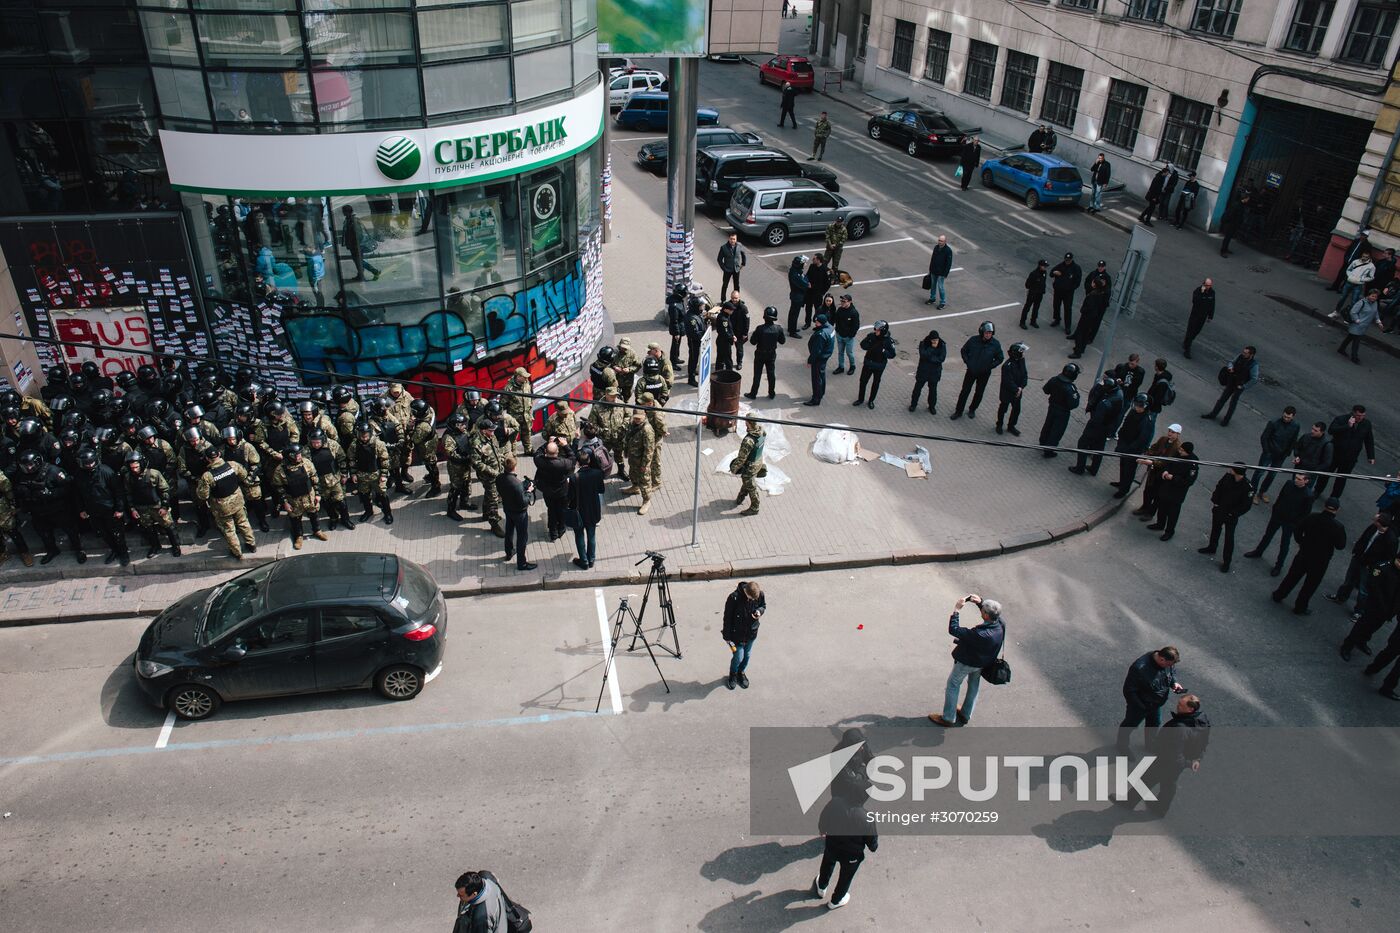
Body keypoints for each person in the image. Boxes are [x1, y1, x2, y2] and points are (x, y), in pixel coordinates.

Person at [1116, 695, 1211, 815]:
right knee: (1169, 785)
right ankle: (1161, 809)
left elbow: (1175, 756)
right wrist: (1197, 758)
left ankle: (1129, 802)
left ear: (1190, 710)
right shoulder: (1202, 720)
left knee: (1146, 780)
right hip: (1179, 762)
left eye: (1181, 705)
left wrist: (1188, 763)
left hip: (1167, 761)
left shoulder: (1179, 729)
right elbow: (1203, 742)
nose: (1177, 706)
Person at [929, 593, 1004, 727]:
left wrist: (956, 610)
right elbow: (991, 613)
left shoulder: (980, 634)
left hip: (967, 662)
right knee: (973, 685)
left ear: (986, 615)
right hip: (982, 663)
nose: (981, 610)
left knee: (953, 685)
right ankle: (965, 713)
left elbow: (954, 629)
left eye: (983, 610)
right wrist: (980, 602)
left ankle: (948, 717)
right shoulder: (1000, 624)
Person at [1272, 497, 1347, 615]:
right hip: (1321, 560)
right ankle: (1300, 607)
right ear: (1337, 510)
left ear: (1325, 506)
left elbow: (1298, 530)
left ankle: (1279, 595)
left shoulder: (1312, 517)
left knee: (1292, 576)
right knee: (1310, 585)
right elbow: (1340, 545)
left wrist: (1301, 542)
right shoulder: (1338, 527)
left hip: (1304, 553)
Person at [812, 790, 878, 911]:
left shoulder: (835, 803)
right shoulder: (867, 818)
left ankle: (821, 887)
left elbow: (824, 817)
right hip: (851, 856)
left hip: (832, 846)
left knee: (827, 864)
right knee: (845, 878)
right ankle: (835, 901)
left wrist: (822, 830)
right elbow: (872, 845)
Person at [1116, 646, 1185, 755]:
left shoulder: (1168, 663)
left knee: (1154, 724)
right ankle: (1122, 746)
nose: (1170, 667)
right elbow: (1129, 691)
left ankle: (1150, 744)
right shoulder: (1139, 668)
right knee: (1129, 725)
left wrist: (1174, 683)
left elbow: (1171, 672)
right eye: (1169, 664)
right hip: (1140, 705)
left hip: (1155, 704)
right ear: (1162, 659)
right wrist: (1141, 707)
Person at [1244, 473, 1317, 576]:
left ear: (1306, 481)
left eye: (1299, 479)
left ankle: (1279, 565)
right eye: (1296, 478)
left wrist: (1294, 523)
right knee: (1267, 535)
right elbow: (1281, 496)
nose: (1296, 480)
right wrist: (1275, 509)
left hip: (1289, 522)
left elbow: (1305, 513)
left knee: (1284, 544)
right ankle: (1258, 551)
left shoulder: (1308, 495)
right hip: (1278, 515)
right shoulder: (1289, 484)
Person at [1326, 511, 1397, 610]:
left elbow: (1388, 558)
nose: (1373, 521)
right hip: (1359, 558)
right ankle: (1341, 597)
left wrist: (1375, 567)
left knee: (1364, 589)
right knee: (1349, 580)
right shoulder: (1373, 528)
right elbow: (1363, 538)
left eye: (1375, 520)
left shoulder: (1390, 539)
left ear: (1379, 523)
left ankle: (1359, 610)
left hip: (1369, 566)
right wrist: (1356, 551)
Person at [195, 447, 257, 559]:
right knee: (244, 523)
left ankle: (237, 552)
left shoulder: (207, 476)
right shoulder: (232, 465)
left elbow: (203, 495)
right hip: (238, 501)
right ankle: (251, 545)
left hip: (222, 507)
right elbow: (244, 475)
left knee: (229, 530)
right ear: (219, 454)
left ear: (208, 459)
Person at [75, 446, 129, 566]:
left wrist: (119, 509)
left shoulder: (106, 472)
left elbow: (118, 492)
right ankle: (114, 551)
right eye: (86, 464)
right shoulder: (79, 475)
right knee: (104, 534)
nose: (89, 466)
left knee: (118, 534)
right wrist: (81, 509)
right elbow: (78, 494)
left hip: (110, 510)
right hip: (93, 511)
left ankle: (123, 553)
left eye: (91, 463)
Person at [1340, 553, 1400, 659]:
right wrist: (1382, 605)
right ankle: (1347, 646)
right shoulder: (1383, 568)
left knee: (1373, 627)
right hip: (1375, 606)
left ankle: (1362, 641)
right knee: (1362, 626)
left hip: (1387, 610)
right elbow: (1373, 586)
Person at [1199, 464, 1253, 572]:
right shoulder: (1227, 477)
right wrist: (1215, 501)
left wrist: (1233, 513)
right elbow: (1218, 488)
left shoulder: (1247, 486)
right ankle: (1212, 547)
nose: (1229, 470)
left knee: (1229, 538)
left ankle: (1226, 561)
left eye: (1232, 468)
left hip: (1230, 515)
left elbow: (1246, 505)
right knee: (1215, 529)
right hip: (1220, 509)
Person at [1069, 375, 1123, 476]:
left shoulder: (1105, 403)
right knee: (1099, 448)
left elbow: (1097, 418)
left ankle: (1080, 468)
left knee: (1082, 444)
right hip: (1107, 426)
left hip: (1097, 426)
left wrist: (1090, 427)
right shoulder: (1118, 394)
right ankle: (1094, 469)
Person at [1319, 405, 1376, 499]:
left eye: (1363, 415)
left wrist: (1371, 456)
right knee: (1326, 474)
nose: (1361, 418)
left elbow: (1369, 440)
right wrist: (1347, 426)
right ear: (1353, 413)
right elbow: (1331, 430)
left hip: (1350, 458)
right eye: (1358, 415)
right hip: (1335, 454)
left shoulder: (1366, 424)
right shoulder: (1341, 419)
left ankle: (1334, 497)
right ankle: (1318, 490)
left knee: (1341, 479)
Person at [950, 321, 1004, 420]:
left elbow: (1000, 358)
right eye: (986, 333)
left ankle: (972, 409)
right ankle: (958, 411)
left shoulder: (995, 344)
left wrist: (989, 366)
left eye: (990, 333)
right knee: (965, 391)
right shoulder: (973, 340)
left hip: (984, 373)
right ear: (982, 332)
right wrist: (968, 362)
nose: (988, 335)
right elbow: (964, 350)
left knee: (979, 392)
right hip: (971, 371)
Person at [1148, 440, 1199, 540]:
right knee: (1162, 508)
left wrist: (1173, 478)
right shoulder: (1177, 454)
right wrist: (1166, 471)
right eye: (1180, 449)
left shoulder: (1193, 464)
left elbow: (1189, 481)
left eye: (1182, 450)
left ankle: (1169, 531)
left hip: (1177, 493)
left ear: (1187, 452)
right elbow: (1169, 463)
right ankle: (1160, 524)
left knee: (1172, 514)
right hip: (1166, 487)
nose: (1180, 451)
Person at [1200, 345, 1258, 427]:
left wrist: (1244, 386)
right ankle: (1213, 414)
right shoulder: (1240, 356)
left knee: (1232, 403)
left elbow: (1254, 379)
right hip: (1232, 381)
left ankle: (1226, 420)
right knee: (1222, 399)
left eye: (1246, 353)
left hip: (1239, 385)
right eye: (1243, 352)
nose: (1243, 354)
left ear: (1251, 355)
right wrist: (1230, 367)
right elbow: (1231, 362)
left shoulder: (1254, 365)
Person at [1133, 423, 1183, 516]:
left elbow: (1166, 462)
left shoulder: (1176, 447)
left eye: (1173, 432)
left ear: (1177, 434)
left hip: (1162, 473)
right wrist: (1149, 454)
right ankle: (1145, 507)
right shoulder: (1163, 439)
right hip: (1153, 470)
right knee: (1148, 490)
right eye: (1169, 431)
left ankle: (1150, 513)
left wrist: (1152, 462)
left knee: (1157, 494)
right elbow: (1154, 447)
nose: (1170, 434)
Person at [722, 580, 765, 689]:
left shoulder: (759, 595)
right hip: (737, 636)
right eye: (751, 599)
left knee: (747, 655)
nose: (753, 601)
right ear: (746, 592)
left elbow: (762, 605)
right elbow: (727, 619)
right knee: (738, 656)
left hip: (751, 633)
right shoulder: (733, 598)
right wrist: (727, 637)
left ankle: (741, 672)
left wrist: (759, 611)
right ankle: (733, 674)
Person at [532, 439, 576, 542]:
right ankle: (561, 528)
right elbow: (573, 458)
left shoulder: (540, 461)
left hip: (548, 492)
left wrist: (547, 442)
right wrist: (565, 445)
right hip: (562, 492)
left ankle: (553, 533)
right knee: (562, 510)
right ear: (557, 452)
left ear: (546, 453)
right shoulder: (563, 463)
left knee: (551, 511)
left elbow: (537, 453)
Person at [1253, 407, 1299, 503]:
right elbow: (1264, 437)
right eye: (1285, 416)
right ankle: (1253, 492)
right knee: (1259, 473)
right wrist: (1267, 451)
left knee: (1272, 475)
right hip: (1269, 453)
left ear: (1293, 416)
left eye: (1288, 417)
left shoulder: (1295, 426)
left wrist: (1287, 453)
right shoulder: (1274, 423)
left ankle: (1262, 492)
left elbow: (1293, 440)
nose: (1286, 419)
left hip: (1280, 456)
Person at [497, 456, 535, 571]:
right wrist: (528, 491)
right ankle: (521, 563)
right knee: (522, 537)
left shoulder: (499, 478)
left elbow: (508, 490)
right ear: (515, 467)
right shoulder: (516, 483)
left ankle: (509, 552)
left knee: (509, 530)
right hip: (520, 513)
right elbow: (523, 501)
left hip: (508, 509)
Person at [568, 448, 604, 570]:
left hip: (578, 511)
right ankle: (591, 559)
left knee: (579, 536)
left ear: (578, 463)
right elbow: (601, 490)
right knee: (591, 535)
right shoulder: (597, 473)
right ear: (589, 461)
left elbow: (570, 497)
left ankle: (583, 561)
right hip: (593, 510)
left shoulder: (574, 478)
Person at [1069, 261, 1111, 358]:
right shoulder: (1097, 292)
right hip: (1091, 315)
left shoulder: (1094, 295)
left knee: (1081, 333)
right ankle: (1082, 348)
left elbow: (1090, 306)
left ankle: (1078, 351)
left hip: (1088, 316)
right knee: (1084, 332)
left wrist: (1084, 310)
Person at [1038, 362, 1081, 457]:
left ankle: (1043, 442)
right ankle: (1048, 451)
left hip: (1052, 407)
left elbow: (1046, 390)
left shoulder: (1054, 380)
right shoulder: (1070, 388)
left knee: (1048, 425)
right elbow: (1074, 404)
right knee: (1056, 431)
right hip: (1063, 412)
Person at [853, 320, 896, 409]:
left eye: (878, 330)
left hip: (879, 366)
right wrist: (870, 346)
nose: (875, 331)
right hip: (869, 363)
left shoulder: (888, 341)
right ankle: (860, 399)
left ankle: (871, 400)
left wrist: (884, 352)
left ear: (883, 331)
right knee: (863, 381)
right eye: (875, 329)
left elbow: (892, 354)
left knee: (875, 383)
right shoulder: (871, 336)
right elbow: (863, 344)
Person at [745, 306, 786, 400]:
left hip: (760, 354)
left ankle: (753, 393)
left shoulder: (760, 329)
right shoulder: (778, 329)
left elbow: (752, 342)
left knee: (757, 374)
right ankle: (771, 393)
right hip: (771, 354)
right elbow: (782, 341)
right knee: (771, 374)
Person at [622, 410, 656, 514]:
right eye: (635, 418)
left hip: (642, 461)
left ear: (644, 415)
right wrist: (626, 451)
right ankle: (635, 487)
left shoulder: (647, 430)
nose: (636, 420)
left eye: (639, 418)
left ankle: (646, 501)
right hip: (633, 458)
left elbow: (649, 450)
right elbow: (628, 438)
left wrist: (645, 465)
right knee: (633, 473)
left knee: (644, 481)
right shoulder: (633, 424)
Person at [730, 416, 766, 515]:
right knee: (748, 482)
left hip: (750, 467)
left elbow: (742, 458)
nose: (745, 424)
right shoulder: (762, 431)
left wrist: (734, 468)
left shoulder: (748, 441)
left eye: (747, 422)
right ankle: (741, 497)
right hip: (759, 462)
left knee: (751, 486)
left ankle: (755, 507)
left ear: (750, 423)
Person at [1338, 288, 1380, 363]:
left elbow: (1375, 312)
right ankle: (1354, 357)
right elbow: (1353, 312)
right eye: (1372, 296)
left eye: (1376, 297)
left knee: (1350, 337)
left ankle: (1341, 349)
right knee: (1356, 341)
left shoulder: (1375, 303)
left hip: (1364, 326)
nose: (1374, 298)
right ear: (1368, 295)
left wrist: (1378, 321)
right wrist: (1357, 320)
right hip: (1357, 325)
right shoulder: (1361, 302)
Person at [995, 341, 1028, 436]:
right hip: (1007, 392)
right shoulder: (1007, 366)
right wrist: (1017, 389)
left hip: (1018, 392)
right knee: (1003, 409)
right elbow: (1008, 381)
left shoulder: (1021, 361)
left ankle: (1011, 426)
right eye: (1021, 352)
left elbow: (1025, 375)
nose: (1023, 354)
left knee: (1016, 410)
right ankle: (999, 424)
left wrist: (1021, 387)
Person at [340, 204, 380, 282]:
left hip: (356, 246)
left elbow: (359, 235)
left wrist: (355, 245)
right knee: (358, 260)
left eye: (344, 211)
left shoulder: (353, 221)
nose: (343, 213)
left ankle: (374, 271)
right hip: (354, 245)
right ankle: (360, 275)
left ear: (347, 212)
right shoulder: (349, 219)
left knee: (359, 261)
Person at [910, 330, 947, 414]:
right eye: (933, 340)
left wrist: (930, 359)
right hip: (923, 371)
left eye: (936, 340)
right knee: (917, 389)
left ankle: (932, 406)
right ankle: (913, 404)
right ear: (930, 339)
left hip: (934, 372)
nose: (935, 342)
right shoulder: (924, 343)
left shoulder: (942, 345)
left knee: (933, 391)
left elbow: (941, 358)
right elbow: (923, 355)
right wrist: (932, 348)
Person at [1293, 420, 1333, 496]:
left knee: (1304, 493)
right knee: (1293, 487)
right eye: (1312, 429)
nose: (1312, 431)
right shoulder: (1306, 436)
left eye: (1315, 430)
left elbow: (1327, 462)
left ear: (1322, 432)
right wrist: (1297, 456)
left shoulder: (1327, 445)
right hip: (1299, 467)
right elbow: (1297, 447)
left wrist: (1314, 471)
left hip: (1310, 474)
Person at [804, 313, 836, 406]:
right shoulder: (830, 328)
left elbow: (816, 351)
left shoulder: (821, 334)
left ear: (821, 323)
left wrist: (810, 360)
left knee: (816, 378)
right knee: (821, 375)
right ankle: (821, 392)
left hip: (819, 359)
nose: (815, 324)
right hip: (825, 356)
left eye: (817, 322)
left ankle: (816, 399)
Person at [1181, 278, 1215, 359]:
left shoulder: (1212, 293)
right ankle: (1187, 349)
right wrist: (1202, 293)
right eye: (1207, 285)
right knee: (1190, 331)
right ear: (1203, 284)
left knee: (1196, 332)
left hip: (1203, 317)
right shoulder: (1198, 291)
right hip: (1195, 315)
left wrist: (1210, 316)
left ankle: (1187, 341)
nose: (1208, 287)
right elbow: (1195, 301)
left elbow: (1212, 304)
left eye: (1209, 286)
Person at [1049, 252, 1082, 334]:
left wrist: (1070, 288)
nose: (1067, 261)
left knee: (1067, 309)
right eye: (1066, 260)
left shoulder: (1076, 268)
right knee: (1056, 305)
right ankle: (1057, 319)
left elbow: (1077, 281)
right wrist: (1054, 273)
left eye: (1068, 260)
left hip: (1068, 293)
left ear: (1071, 259)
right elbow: (1051, 273)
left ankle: (1067, 326)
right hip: (1058, 291)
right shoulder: (1061, 265)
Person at [1335, 249, 1376, 314]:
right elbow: (1349, 269)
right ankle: (1336, 311)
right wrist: (1350, 276)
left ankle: (1348, 316)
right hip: (1349, 282)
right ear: (1361, 256)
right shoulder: (1355, 262)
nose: (1364, 258)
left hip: (1358, 285)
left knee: (1354, 301)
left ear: (1369, 257)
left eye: (1366, 257)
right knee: (1342, 298)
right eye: (1363, 256)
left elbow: (1371, 277)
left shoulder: (1371, 266)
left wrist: (1361, 279)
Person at [831, 293, 860, 375]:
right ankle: (841, 367)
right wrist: (837, 331)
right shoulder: (840, 310)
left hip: (848, 337)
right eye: (841, 301)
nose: (842, 302)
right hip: (839, 335)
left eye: (844, 301)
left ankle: (852, 366)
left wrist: (850, 335)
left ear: (850, 302)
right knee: (840, 352)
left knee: (849, 353)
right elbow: (836, 320)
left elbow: (856, 326)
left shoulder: (854, 313)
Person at [684, 295, 707, 386]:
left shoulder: (697, 313)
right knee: (693, 359)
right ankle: (691, 378)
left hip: (698, 340)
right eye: (701, 305)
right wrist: (704, 337)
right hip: (694, 342)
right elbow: (695, 333)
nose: (702, 307)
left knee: (696, 358)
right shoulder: (691, 318)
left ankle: (693, 371)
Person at [803, 254, 830, 330]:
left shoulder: (825, 269)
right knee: (808, 308)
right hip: (810, 292)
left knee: (818, 310)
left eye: (814, 259)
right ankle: (807, 323)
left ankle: (818, 324)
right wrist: (807, 282)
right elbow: (807, 276)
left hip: (818, 294)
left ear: (818, 260)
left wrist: (822, 292)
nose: (812, 260)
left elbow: (827, 284)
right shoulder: (812, 266)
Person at [716, 232, 746, 302]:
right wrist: (724, 268)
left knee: (737, 285)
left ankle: (737, 299)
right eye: (731, 239)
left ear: (736, 239)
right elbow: (719, 259)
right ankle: (723, 300)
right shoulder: (723, 247)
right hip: (727, 270)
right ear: (729, 239)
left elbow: (743, 254)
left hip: (736, 269)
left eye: (734, 239)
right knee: (725, 285)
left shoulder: (739, 245)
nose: (732, 240)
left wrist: (743, 264)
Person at [927, 235, 953, 308]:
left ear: (945, 242)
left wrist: (945, 273)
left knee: (940, 287)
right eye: (939, 240)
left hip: (941, 273)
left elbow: (949, 263)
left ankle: (943, 302)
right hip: (934, 270)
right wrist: (930, 269)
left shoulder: (948, 250)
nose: (939, 242)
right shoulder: (936, 247)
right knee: (933, 285)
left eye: (941, 241)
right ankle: (932, 298)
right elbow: (933, 259)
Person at [1020, 259, 1048, 328]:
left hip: (1039, 294)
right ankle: (1022, 322)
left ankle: (1033, 321)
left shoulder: (1044, 273)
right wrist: (1033, 289)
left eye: (1045, 266)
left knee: (1036, 308)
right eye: (1044, 266)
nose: (1045, 267)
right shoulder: (1034, 274)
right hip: (1032, 294)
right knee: (1027, 308)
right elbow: (1027, 284)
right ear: (1040, 266)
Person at [711, 300, 737, 373]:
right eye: (731, 310)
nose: (732, 311)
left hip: (722, 340)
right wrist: (732, 338)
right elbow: (725, 332)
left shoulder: (725, 315)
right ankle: (729, 373)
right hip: (724, 342)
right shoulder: (723, 319)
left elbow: (730, 328)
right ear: (726, 309)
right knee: (727, 359)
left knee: (720, 357)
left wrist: (733, 335)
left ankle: (719, 371)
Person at [786, 256, 809, 337]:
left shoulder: (796, 271)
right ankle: (792, 332)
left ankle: (791, 328)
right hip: (797, 296)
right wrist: (807, 283)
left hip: (796, 295)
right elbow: (804, 283)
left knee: (793, 313)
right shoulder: (795, 274)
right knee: (794, 314)